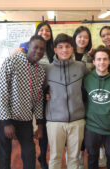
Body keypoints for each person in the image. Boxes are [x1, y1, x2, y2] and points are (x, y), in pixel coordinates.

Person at [0, 35, 46, 169]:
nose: (38, 51)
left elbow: (39, 99)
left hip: (25, 118)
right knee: (5, 154)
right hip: (6, 117)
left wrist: (40, 124)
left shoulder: (40, 71)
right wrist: (6, 122)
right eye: (35, 47)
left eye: (42, 49)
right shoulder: (12, 61)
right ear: (28, 47)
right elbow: (1, 92)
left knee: (29, 152)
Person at [14, 21, 54, 169]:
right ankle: (29, 152)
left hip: (46, 94)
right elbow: (16, 56)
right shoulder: (26, 46)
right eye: (41, 30)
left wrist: (49, 91)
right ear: (36, 32)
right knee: (27, 127)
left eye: (47, 30)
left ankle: (42, 157)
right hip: (27, 92)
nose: (45, 32)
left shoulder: (53, 50)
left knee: (43, 126)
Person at [45, 33, 86, 169]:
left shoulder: (81, 67)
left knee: (74, 158)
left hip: (77, 121)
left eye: (67, 46)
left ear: (72, 48)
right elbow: (40, 91)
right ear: (55, 49)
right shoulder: (47, 69)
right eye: (60, 47)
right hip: (54, 121)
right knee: (55, 157)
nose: (64, 50)